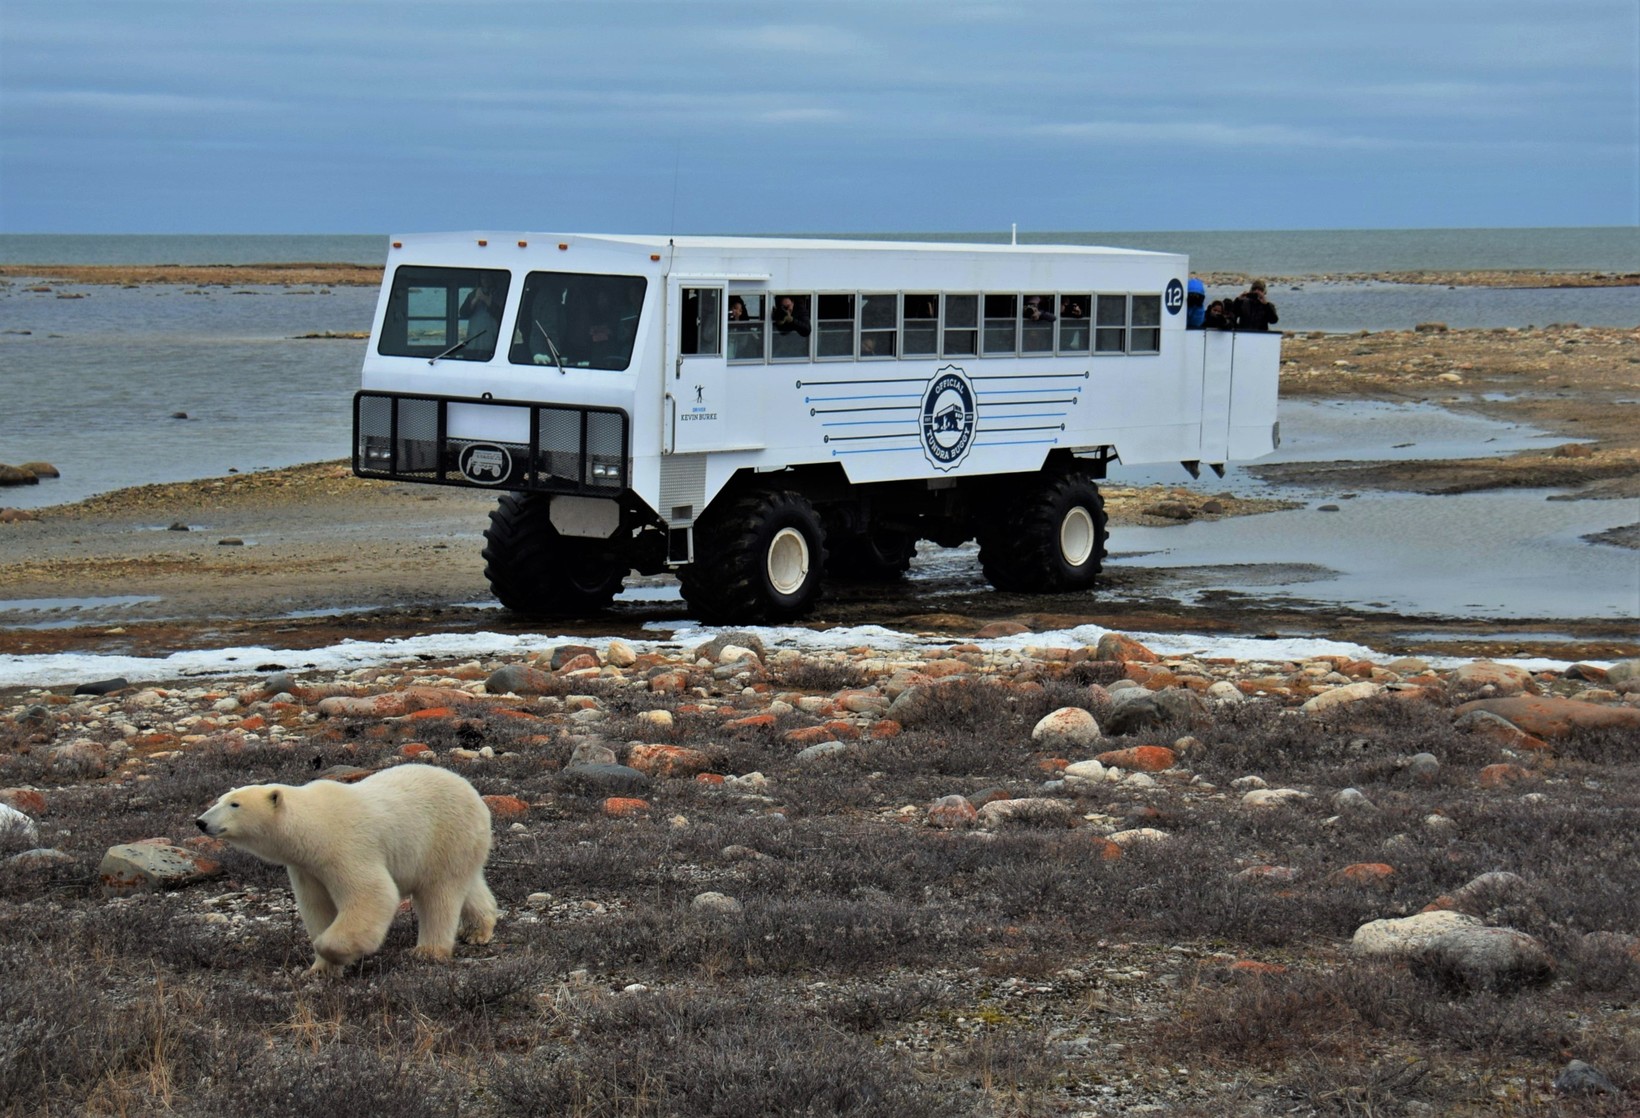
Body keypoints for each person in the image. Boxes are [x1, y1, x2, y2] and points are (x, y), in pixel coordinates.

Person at [460, 274, 501, 348]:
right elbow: (463, 313)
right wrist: (475, 300)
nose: (486, 280)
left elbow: (501, 315)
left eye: (488, 277)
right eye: (483, 278)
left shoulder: (499, 295)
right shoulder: (472, 295)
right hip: (474, 337)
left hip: (492, 338)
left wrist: (487, 300)